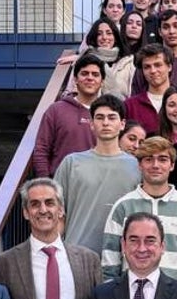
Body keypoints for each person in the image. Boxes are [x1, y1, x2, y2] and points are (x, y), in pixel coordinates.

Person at [101, 136, 177, 299]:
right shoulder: (123, 206)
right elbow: (110, 262)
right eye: (149, 159)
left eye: (162, 159)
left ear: (171, 165)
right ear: (140, 165)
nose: (155, 165)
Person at [56, 94, 141, 253]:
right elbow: (56, 214)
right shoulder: (72, 163)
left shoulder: (137, 166)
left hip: (122, 257)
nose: (106, 122)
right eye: (100, 117)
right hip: (76, 255)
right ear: (92, 124)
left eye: (112, 117)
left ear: (122, 124)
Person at [33, 53, 105, 178]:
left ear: (102, 81)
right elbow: (41, 149)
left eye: (95, 74)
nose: (90, 78)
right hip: (61, 185)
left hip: (98, 186)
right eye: (84, 73)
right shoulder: (56, 110)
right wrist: (46, 183)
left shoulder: (109, 114)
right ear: (75, 79)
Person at [130, 10, 177, 100]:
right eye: (166, 27)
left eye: (176, 26)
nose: (171, 31)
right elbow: (135, 98)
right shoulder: (148, 61)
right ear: (159, 31)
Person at [124, 44, 175, 138]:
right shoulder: (130, 106)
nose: (153, 71)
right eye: (147, 67)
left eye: (158, 65)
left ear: (169, 67)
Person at [85, 17, 136, 100]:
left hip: (123, 109)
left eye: (109, 33)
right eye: (99, 34)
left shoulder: (129, 62)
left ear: (115, 37)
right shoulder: (85, 60)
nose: (104, 37)